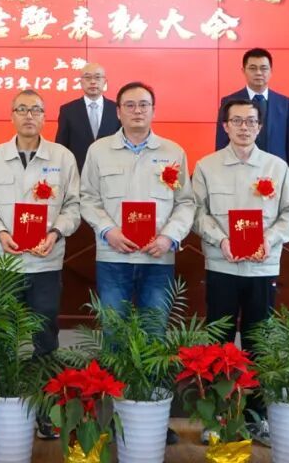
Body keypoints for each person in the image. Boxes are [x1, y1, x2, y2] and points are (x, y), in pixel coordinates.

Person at [81, 81, 194, 445]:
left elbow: (186, 203)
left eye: (144, 104)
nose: (137, 111)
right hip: (113, 257)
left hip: (158, 259)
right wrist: (108, 231)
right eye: (129, 105)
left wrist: (169, 237)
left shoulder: (173, 152)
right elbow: (87, 199)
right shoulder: (99, 151)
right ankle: (112, 417)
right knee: (114, 337)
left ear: (153, 110)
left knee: (154, 337)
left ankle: (153, 417)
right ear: (118, 111)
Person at [193, 98, 289, 445]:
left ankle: (257, 418)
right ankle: (216, 417)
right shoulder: (207, 166)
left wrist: (270, 239)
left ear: (259, 127)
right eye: (237, 121)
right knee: (219, 344)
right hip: (222, 265)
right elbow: (196, 212)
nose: (244, 127)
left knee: (260, 344)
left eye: (251, 121)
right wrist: (221, 239)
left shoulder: (276, 167)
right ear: (225, 126)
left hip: (262, 268)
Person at [0, 89, 81, 439]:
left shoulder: (62, 157)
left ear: (45, 116)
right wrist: (1, 232)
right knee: (2, 338)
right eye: (22, 109)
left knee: (45, 338)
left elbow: (73, 206)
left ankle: (45, 412)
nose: (29, 115)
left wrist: (55, 232)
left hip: (46, 264)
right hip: (5, 266)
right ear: (12, 115)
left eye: (36, 109)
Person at [215, 48, 289, 187]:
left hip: (275, 175)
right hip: (239, 175)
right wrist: (221, 176)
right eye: (253, 68)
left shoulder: (284, 103)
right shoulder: (229, 101)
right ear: (243, 71)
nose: (259, 73)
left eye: (264, 68)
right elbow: (221, 143)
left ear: (271, 71)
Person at [55, 63, 120, 172]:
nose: (93, 81)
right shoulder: (67, 110)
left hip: (111, 171)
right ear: (80, 82)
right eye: (88, 77)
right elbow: (61, 146)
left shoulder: (117, 109)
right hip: (78, 172)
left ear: (105, 82)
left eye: (97, 77)